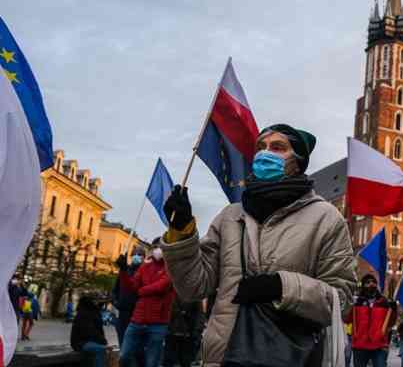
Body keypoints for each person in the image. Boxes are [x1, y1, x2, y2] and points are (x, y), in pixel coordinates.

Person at [160, 124, 356, 367]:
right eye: (261, 147)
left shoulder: (325, 217)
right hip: (224, 356)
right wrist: (182, 232)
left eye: (278, 147)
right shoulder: (231, 216)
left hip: (289, 357)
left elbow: (341, 299)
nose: (266, 153)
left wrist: (282, 287)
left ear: (298, 161)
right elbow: (193, 286)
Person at [116, 238, 174, 367]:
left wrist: (141, 291)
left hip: (158, 324)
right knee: (124, 356)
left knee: (151, 363)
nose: (158, 249)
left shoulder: (171, 269)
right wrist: (123, 271)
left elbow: (161, 286)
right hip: (137, 320)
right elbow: (130, 287)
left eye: (161, 246)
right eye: (155, 246)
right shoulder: (144, 267)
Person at [346, 274, 397, 367]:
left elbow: (391, 322)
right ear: (363, 286)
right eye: (368, 282)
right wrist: (348, 305)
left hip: (379, 345)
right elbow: (347, 319)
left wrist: (394, 310)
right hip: (360, 344)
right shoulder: (357, 303)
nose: (371, 284)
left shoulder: (384, 302)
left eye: (373, 282)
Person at [112, 246, 146, 347]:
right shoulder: (125, 270)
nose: (136, 256)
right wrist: (115, 302)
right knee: (122, 342)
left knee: (134, 345)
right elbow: (115, 289)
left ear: (144, 257)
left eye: (139, 254)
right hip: (122, 312)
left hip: (136, 314)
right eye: (134, 254)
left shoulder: (145, 272)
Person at [162, 298, 202, 367]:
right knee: (170, 359)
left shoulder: (194, 297)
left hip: (186, 332)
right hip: (174, 331)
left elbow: (198, 315)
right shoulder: (173, 294)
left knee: (184, 360)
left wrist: (196, 331)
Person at [71, 295, 108, 367]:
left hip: (90, 341)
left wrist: (103, 341)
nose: (96, 302)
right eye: (94, 301)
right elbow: (89, 331)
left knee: (103, 348)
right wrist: (102, 341)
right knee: (100, 349)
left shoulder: (94, 312)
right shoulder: (83, 313)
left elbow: (99, 329)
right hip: (81, 342)